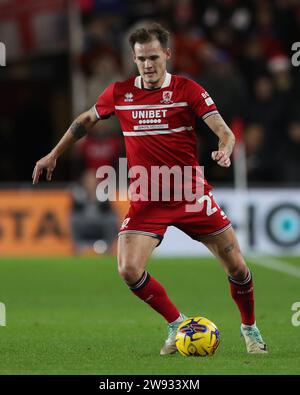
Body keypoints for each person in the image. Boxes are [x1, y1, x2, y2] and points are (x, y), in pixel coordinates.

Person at [32, 23, 267, 355]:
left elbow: (224, 132)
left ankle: (250, 329)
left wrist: (225, 149)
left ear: (167, 55)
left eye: (154, 57)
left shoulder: (188, 90)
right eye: (141, 58)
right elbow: (85, 120)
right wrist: (53, 154)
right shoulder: (119, 93)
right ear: (133, 58)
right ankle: (177, 324)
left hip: (190, 195)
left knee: (238, 268)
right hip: (147, 198)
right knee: (128, 269)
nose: (148, 65)